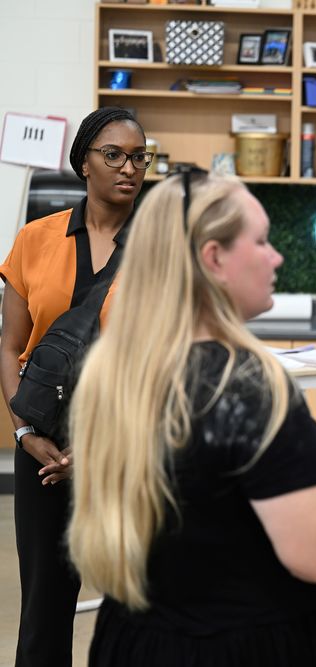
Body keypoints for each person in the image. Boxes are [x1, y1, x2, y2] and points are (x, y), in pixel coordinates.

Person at [66, 171, 316, 666]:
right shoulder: (250, 387)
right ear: (214, 259)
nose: (276, 256)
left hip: (137, 641)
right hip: (248, 646)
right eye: (261, 241)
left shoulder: (117, 371)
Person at [0, 106, 149, 667]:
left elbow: (168, 363)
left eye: (139, 156)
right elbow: (9, 346)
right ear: (83, 163)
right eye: (113, 155)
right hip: (42, 448)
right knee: (44, 606)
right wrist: (24, 432)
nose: (128, 167)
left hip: (128, 452)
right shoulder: (35, 240)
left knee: (137, 605)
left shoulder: (163, 249)